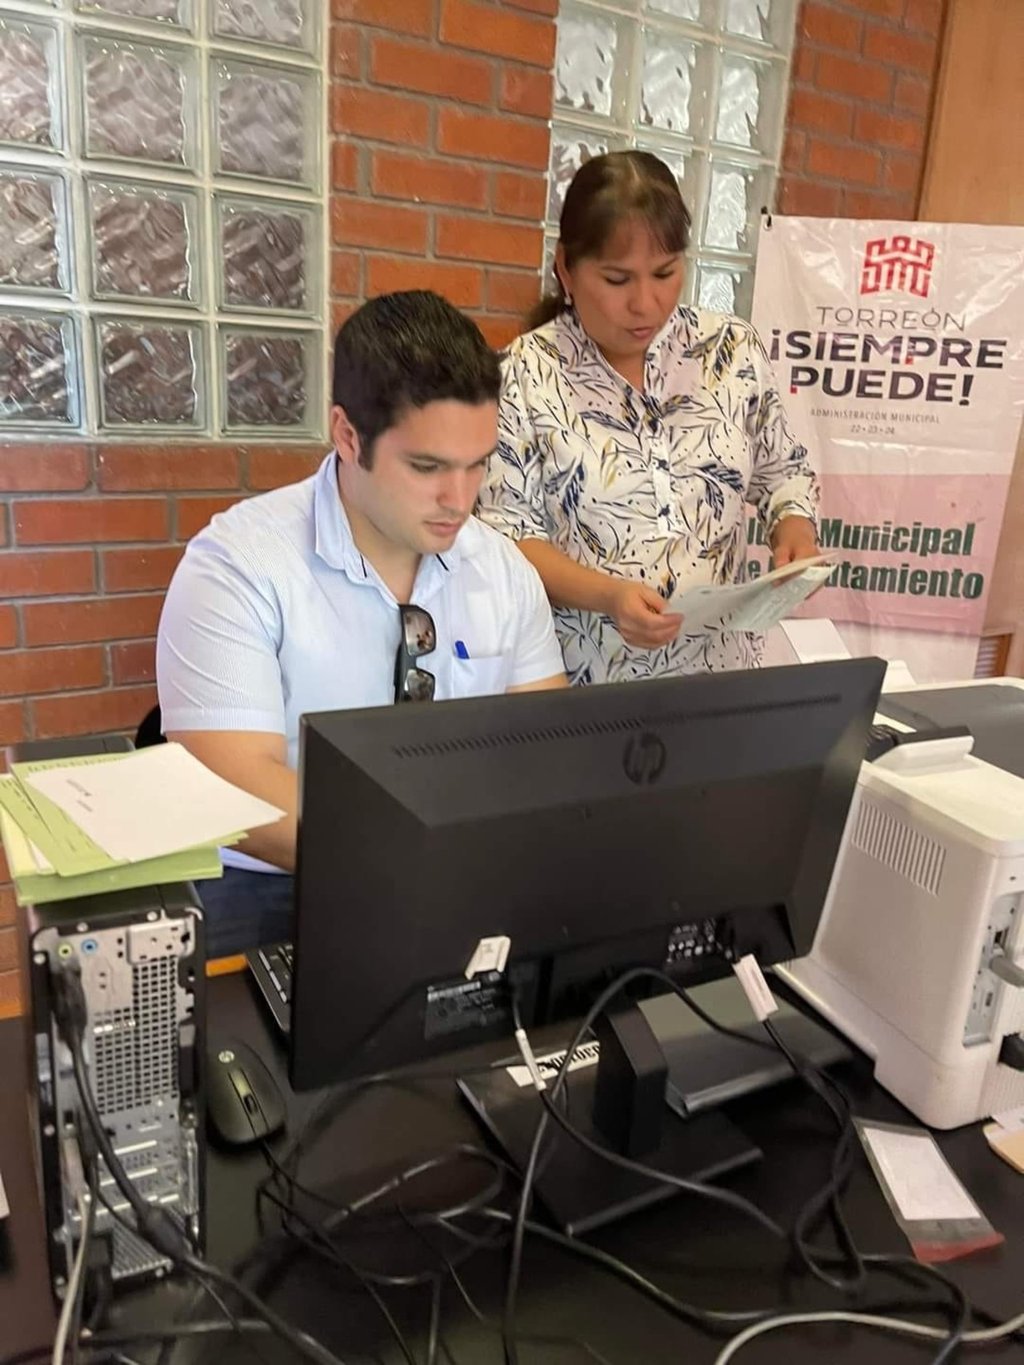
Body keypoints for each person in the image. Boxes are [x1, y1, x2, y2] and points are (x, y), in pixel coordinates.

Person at [157, 291, 566, 956]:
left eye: (478, 464)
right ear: (348, 435)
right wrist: (423, 852)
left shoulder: (501, 568)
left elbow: (546, 747)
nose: (460, 500)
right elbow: (233, 786)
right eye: (428, 467)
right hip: (274, 889)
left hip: (461, 880)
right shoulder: (237, 566)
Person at [476, 151, 821, 686]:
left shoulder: (729, 352)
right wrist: (609, 596)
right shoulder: (522, 375)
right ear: (566, 268)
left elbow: (784, 471)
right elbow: (507, 535)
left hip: (719, 677)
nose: (645, 303)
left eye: (665, 273)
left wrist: (793, 527)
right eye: (617, 280)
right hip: (582, 685)